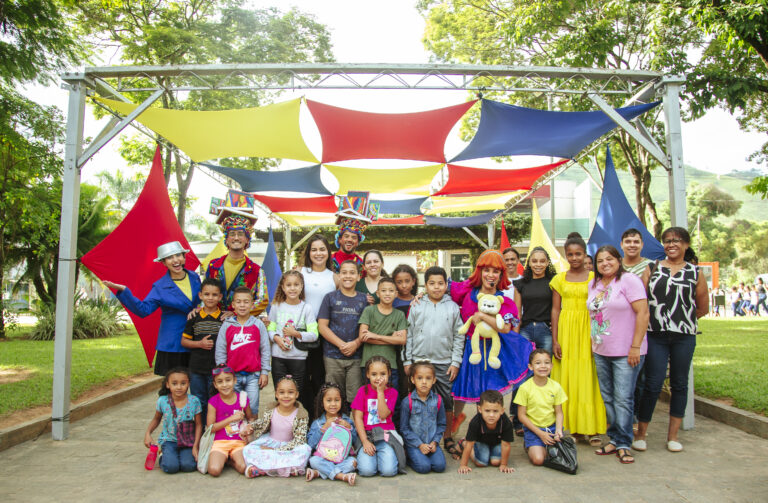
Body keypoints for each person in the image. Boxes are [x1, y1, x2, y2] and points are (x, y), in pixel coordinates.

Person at [634, 227, 709, 453]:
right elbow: (641, 302)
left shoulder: (695, 272)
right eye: (667, 241)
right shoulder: (652, 269)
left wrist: (680, 319)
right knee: (652, 383)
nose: (671, 244)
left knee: (680, 383)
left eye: (676, 240)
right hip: (655, 335)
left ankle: (673, 436)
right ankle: (641, 434)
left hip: (684, 336)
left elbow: (703, 307)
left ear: (686, 244)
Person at [450, 249, 533, 434]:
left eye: (495, 271)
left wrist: (482, 316)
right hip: (470, 345)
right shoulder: (468, 290)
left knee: (491, 390)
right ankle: (456, 418)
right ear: (479, 271)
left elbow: (505, 328)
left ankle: (490, 429)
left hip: (495, 349)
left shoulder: (503, 300)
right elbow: (441, 291)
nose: (490, 275)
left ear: (501, 274)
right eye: (486, 270)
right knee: (463, 386)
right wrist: (420, 296)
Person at [588, 246, 649, 464]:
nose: (605, 263)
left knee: (623, 398)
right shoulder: (593, 284)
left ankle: (624, 442)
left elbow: (643, 312)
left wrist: (635, 346)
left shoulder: (629, 281)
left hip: (626, 351)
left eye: (610, 259)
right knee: (609, 397)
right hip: (601, 350)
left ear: (618, 260)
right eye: (600, 260)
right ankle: (614, 438)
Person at [105, 241, 201, 376]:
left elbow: (202, 300)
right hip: (173, 343)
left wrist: (199, 308)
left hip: (196, 339)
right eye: (170, 257)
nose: (175, 260)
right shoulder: (160, 286)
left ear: (184, 257)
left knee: (198, 385)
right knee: (173, 388)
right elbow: (143, 310)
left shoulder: (194, 277)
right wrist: (124, 291)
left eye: (178, 255)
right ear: (163, 262)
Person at [551, 232, 606, 445]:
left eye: (578, 254)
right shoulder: (559, 279)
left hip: (589, 330)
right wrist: (555, 340)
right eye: (570, 254)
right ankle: (571, 427)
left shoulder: (596, 278)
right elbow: (555, 311)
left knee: (589, 378)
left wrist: (598, 336)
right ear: (565, 255)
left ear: (585, 255)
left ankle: (591, 428)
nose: (574, 258)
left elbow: (602, 308)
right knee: (568, 377)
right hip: (566, 330)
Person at [403, 266, 464, 459]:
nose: (436, 287)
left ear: (446, 285)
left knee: (446, 401)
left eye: (440, 283)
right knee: (416, 400)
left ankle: (447, 437)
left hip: (444, 362)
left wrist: (455, 362)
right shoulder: (417, 305)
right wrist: (408, 360)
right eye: (432, 283)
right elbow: (409, 334)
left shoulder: (453, 307)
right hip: (419, 361)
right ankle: (417, 439)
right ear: (425, 285)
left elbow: (459, 336)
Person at [509, 246, 557, 433]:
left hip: (545, 330)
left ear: (547, 263)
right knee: (521, 375)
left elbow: (556, 310)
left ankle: (540, 417)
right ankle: (517, 418)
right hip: (526, 330)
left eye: (542, 261)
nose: (538, 264)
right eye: (534, 261)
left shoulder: (554, 282)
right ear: (528, 263)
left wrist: (555, 338)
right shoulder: (520, 284)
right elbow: (517, 314)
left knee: (543, 374)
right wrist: (514, 338)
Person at [299, 234, 339, 420]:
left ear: (328, 252)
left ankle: (319, 419)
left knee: (319, 379)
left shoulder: (335, 278)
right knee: (301, 379)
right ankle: (303, 419)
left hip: (324, 335)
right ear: (308, 252)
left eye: (322, 249)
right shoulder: (300, 272)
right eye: (314, 249)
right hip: (301, 334)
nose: (318, 253)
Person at [267, 270, 319, 412]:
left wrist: (296, 334)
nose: (292, 288)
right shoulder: (277, 306)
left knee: (297, 394)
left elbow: (314, 334)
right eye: (288, 285)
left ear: (302, 286)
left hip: (299, 358)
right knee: (280, 393)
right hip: (279, 357)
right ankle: (279, 424)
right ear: (283, 287)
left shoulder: (306, 308)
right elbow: (270, 328)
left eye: (296, 284)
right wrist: (276, 338)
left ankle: (297, 424)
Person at [215, 286, 270, 417]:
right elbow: (220, 350)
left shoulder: (258, 324)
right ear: (233, 305)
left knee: (252, 408)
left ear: (252, 304)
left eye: (246, 302)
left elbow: (265, 349)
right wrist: (222, 371)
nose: (242, 305)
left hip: (253, 376)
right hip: (232, 376)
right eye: (238, 302)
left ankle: (251, 435)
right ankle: (236, 435)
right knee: (234, 408)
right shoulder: (227, 325)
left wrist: (264, 372)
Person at [318, 260, 368, 403]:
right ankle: (335, 424)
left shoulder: (364, 299)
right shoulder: (330, 297)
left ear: (359, 276)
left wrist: (355, 344)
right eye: (344, 272)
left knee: (355, 398)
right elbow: (322, 326)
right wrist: (341, 345)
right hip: (333, 356)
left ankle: (352, 424)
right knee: (334, 395)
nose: (348, 276)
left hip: (357, 357)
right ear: (338, 276)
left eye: (352, 273)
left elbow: (368, 328)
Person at [242, 376, 312, 477]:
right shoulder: (271, 409)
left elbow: (299, 440)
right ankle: (284, 469)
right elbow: (262, 422)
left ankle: (265, 468)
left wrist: (275, 451)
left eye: (290, 392)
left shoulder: (301, 414)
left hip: (290, 446)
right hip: (271, 442)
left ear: (297, 394)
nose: (286, 396)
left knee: (305, 450)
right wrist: (251, 426)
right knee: (248, 449)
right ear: (276, 394)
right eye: (282, 392)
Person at [206, 208, 268, 315]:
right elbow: (204, 293)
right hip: (214, 322)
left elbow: (262, 300)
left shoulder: (256, 270)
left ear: (247, 240)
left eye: (240, 234)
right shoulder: (213, 266)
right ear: (226, 239)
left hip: (242, 325)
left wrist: (236, 313)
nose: (236, 238)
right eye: (232, 234)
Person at [143, 367, 202, 474]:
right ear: (167, 384)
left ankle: (177, 455)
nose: (179, 387)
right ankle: (163, 454)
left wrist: (195, 446)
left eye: (183, 383)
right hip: (169, 440)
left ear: (188, 384)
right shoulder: (163, 401)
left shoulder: (194, 401)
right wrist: (148, 433)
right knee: (171, 468)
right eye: (174, 383)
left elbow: (199, 424)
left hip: (187, 441)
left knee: (189, 466)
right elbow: (156, 419)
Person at [513, 349, 566, 466]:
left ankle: (544, 446)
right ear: (530, 367)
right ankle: (530, 444)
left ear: (551, 366)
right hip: (534, 429)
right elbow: (521, 416)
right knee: (538, 460)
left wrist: (558, 430)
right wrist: (540, 434)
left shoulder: (556, 387)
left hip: (551, 428)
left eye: (547, 363)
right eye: (538, 363)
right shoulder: (525, 388)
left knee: (562, 456)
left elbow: (559, 412)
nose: (543, 366)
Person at [352, 356, 402, 477]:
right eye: (374, 374)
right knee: (366, 471)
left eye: (383, 374)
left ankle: (383, 457)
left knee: (389, 471)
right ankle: (374, 458)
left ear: (389, 374)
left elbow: (383, 414)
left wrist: (380, 392)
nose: (378, 378)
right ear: (368, 374)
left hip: (386, 436)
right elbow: (357, 418)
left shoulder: (392, 393)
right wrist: (364, 441)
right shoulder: (362, 391)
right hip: (367, 435)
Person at [359, 277, 407, 393]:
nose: (387, 294)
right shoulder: (369, 311)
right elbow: (363, 337)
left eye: (391, 291)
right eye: (384, 290)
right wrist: (391, 338)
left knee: (391, 402)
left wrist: (375, 336)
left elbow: (402, 340)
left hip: (390, 366)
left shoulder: (399, 315)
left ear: (396, 294)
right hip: (369, 364)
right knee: (369, 400)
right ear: (378, 293)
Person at [182, 278, 224, 408]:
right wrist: (199, 344)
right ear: (200, 295)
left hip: (216, 368)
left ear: (220, 297)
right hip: (196, 368)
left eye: (214, 294)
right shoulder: (194, 317)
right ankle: (200, 428)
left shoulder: (224, 318)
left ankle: (212, 427)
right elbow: (184, 341)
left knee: (215, 400)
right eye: (206, 294)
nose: (210, 298)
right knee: (198, 401)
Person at [305, 382, 359, 485]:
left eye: (337, 400)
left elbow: (355, 441)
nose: (333, 404)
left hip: (342, 458)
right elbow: (311, 444)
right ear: (322, 402)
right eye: (329, 400)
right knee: (313, 461)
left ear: (342, 401)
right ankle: (341, 476)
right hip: (323, 457)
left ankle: (319, 473)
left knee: (353, 463)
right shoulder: (318, 423)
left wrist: (349, 427)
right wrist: (324, 428)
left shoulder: (346, 420)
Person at [206, 364, 254, 477]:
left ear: (235, 380)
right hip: (219, 442)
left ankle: (230, 461)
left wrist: (249, 427)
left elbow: (250, 418)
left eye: (228, 380)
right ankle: (224, 457)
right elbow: (210, 428)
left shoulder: (242, 399)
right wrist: (231, 419)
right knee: (214, 470)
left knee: (243, 467)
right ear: (215, 384)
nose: (225, 385)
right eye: (220, 382)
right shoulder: (213, 401)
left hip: (238, 441)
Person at [400, 361, 447, 474]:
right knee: (424, 468)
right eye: (420, 378)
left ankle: (426, 455)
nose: (424, 382)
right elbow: (404, 428)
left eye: (428, 378)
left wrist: (435, 442)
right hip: (414, 445)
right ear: (413, 380)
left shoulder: (438, 400)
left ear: (434, 380)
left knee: (440, 466)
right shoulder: (408, 402)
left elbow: (441, 424)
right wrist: (419, 444)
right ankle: (409, 457)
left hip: (431, 444)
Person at [457, 389, 515, 474]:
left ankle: (491, 453)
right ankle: (463, 443)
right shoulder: (475, 422)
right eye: (487, 411)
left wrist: (504, 464)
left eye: (495, 411)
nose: (491, 415)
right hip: (481, 441)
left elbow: (506, 445)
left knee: (496, 462)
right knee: (481, 462)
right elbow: (470, 445)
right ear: (480, 409)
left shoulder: (506, 422)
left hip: (497, 442)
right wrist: (463, 465)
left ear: (502, 410)